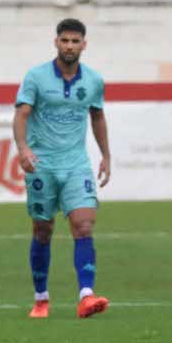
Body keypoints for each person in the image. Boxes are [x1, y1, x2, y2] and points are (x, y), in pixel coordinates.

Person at [13, 18, 111, 319]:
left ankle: (86, 295)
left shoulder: (93, 80)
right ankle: (41, 299)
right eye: (65, 40)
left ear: (84, 44)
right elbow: (21, 115)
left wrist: (106, 155)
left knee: (83, 224)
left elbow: (97, 117)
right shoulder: (36, 77)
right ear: (56, 42)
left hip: (76, 164)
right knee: (43, 229)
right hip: (42, 164)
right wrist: (23, 149)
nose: (70, 46)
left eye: (75, 41)